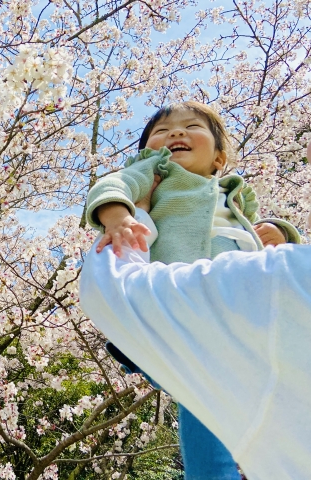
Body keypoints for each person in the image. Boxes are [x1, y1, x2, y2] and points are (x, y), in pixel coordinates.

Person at [83, 101, 300, 479]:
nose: (176, 134)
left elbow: (261, 233)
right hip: (185, 304)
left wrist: (280, 233)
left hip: (243, 302)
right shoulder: (154, 171)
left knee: (265, 393)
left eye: (191, 127)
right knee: (205, 396)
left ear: (219, 159)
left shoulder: (235, 193)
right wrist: (118, 216)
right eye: (162, 131)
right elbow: (113, 185)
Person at [78, 241, 311, 480]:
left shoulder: (280, 277)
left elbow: (107, 290)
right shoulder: (283, 276)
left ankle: (148, 361)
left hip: (203, 313)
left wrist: (130, 218)